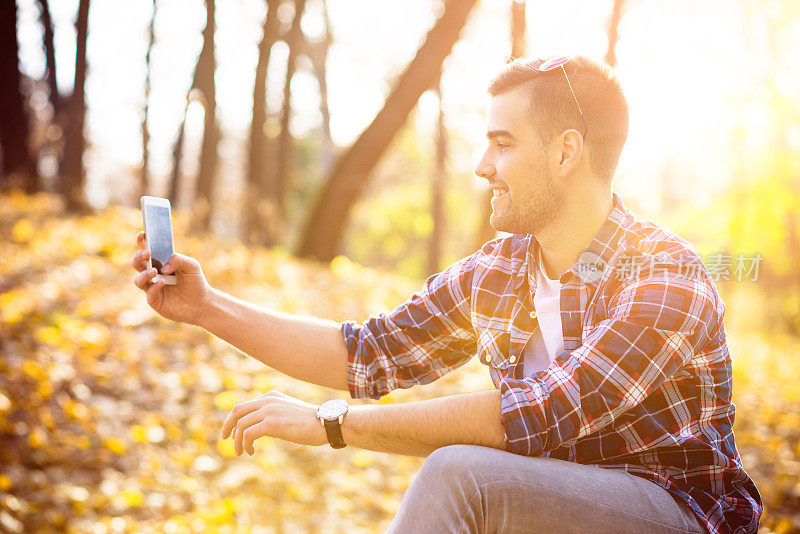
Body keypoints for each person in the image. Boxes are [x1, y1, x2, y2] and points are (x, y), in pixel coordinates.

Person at [130, 56, 762, 533]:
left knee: (461, 476)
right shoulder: (501, 269)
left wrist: (329, 423)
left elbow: (538, 418)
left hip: (680, 513)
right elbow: (368, 353)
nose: (482, 166)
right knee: (467, 475)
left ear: (567, 152)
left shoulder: (666, 275)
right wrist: (207, 307)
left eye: (503, 144)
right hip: (555, 503)